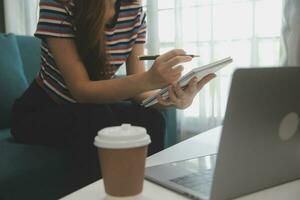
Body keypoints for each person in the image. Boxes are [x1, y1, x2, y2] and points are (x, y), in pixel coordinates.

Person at [11, 0, 215, 196]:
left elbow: (139, 92)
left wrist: (173, 98)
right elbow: (81, 91)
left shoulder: (133, 10)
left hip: (91, 108)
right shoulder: (58, 3)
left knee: (150, 119)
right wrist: (149, 79)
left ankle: (150, 193)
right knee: (94, 118)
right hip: (40, 109)